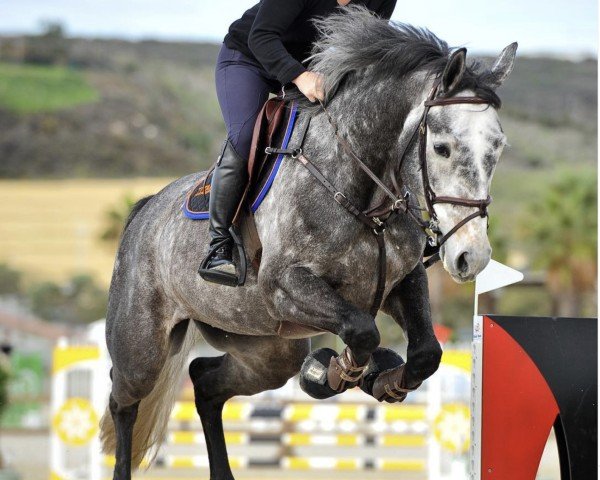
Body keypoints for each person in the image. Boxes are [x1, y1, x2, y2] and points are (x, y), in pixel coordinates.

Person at [199, 0, 397, 285]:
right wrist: (299, 76)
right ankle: (219, 245)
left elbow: (367, 48)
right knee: (244, 137)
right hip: (248, 58)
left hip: (309, 68)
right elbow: (261, 36)